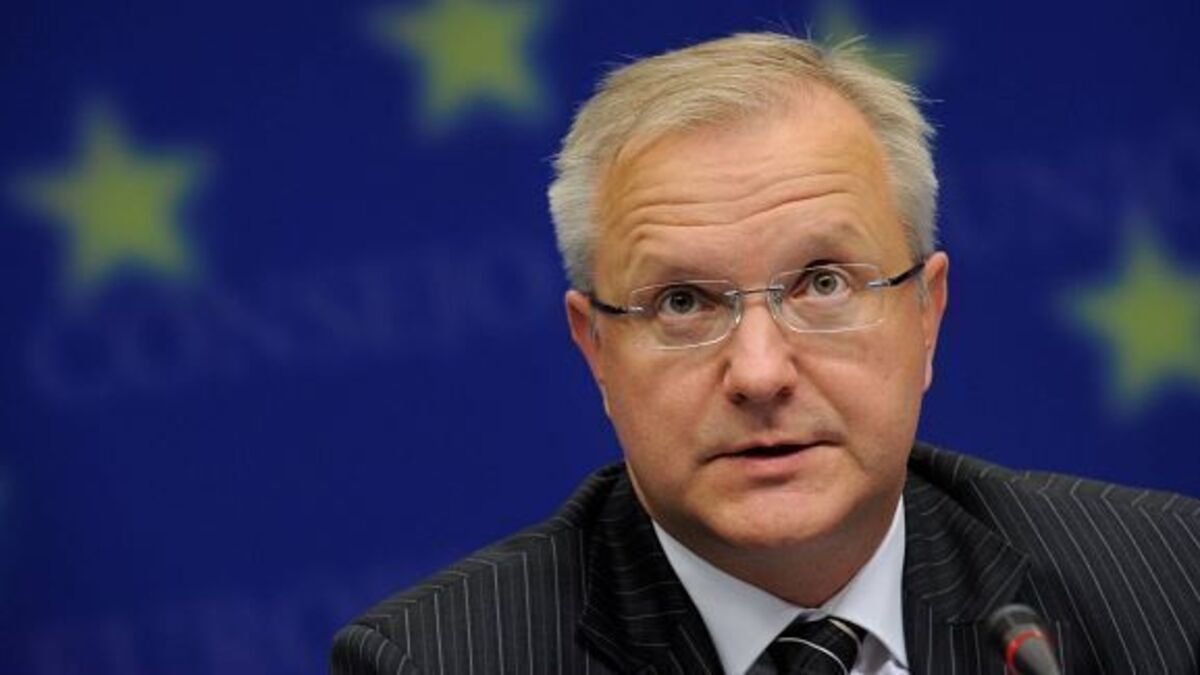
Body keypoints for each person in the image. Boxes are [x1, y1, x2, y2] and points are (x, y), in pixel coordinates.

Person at [331, 32, 1200, 674]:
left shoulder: (1167, 584)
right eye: (682, 301)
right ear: (596, 348)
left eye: (822, 283)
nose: (759, 373)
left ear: (926, 315)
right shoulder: (437, 662)